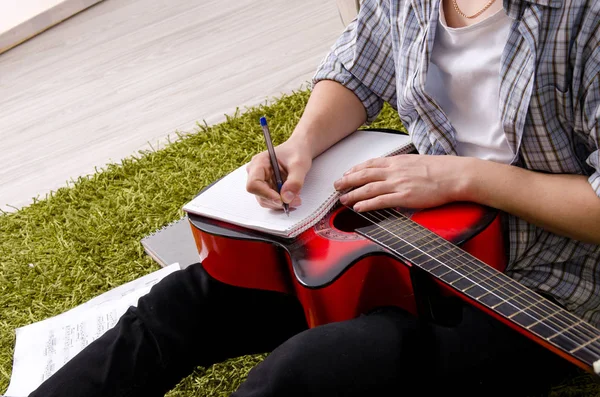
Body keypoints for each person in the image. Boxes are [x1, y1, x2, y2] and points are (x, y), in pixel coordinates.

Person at [30, 0, 600, 396]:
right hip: (405, 236)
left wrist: (466, 177)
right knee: (183, 302)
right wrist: (302, 144)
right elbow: (359, 66)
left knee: (307, 374)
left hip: (537, 286)